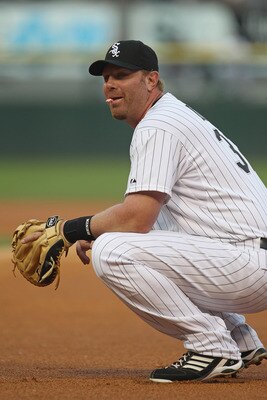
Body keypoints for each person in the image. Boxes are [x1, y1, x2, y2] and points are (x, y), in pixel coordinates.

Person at [26, 40, 267, 382]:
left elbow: (136, 216)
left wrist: (72, 230)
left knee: (111, 251)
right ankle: (240, 340)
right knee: (135, 235)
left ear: (151, 80)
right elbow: (152, 221)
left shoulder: (158, 125)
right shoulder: (174, 115)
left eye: (121, 75)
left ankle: (212, 347)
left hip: (246, 265)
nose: (109, 84)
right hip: (246, 257)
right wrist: (104, 228)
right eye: (106, 77)